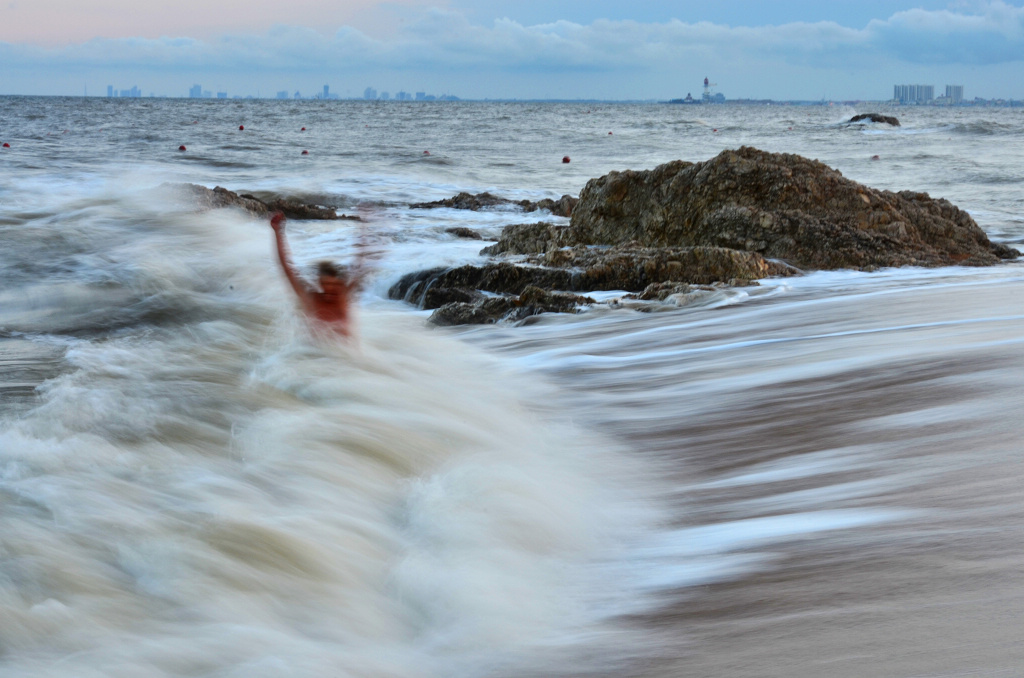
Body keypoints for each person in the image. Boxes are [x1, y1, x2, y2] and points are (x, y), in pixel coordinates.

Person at [269, 211, 367, 338]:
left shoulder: (344, 295)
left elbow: (361, 264)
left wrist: (365, 228)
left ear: (340, 284)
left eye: (333, 285)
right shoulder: (311, 298)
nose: (330, 289)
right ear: (319, 284)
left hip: (343, 355)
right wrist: (278, 232)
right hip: (314, 354)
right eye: (326, 284)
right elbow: (287, 269)